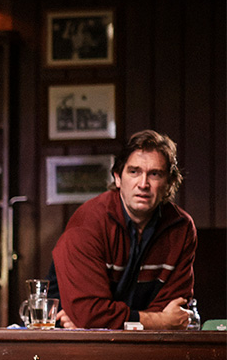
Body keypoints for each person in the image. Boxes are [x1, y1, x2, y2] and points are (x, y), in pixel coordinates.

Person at [50, 129, 197, 329]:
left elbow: (174, 308)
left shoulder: (181, 228)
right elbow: (90, 313)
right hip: (67, 334)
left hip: (138, 341)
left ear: (169, 183)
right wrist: (159, 321)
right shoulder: (88, 223)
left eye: (155, 174)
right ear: (118, 178)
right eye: (134, 172)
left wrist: (104, 322)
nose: (143, 184)